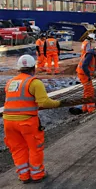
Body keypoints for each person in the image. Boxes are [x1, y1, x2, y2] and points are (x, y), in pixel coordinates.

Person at [3, 55, 63, 184]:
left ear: (19, 69)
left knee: (18, 148)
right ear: (33, 68)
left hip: (8, 122)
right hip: (26, 122)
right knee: (35, 148)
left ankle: (24, 176)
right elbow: (44, 102)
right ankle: (37, 175)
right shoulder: (34, 82)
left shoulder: (10, 82)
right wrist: (58, 103)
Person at [76, 43, 96, 113]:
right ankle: (91, 109)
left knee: (86, 91)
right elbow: (84, 65)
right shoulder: (90, 54)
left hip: (84, 74)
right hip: (84, 74)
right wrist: (88, 76)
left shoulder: (94, 54)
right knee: (90, 91)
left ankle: (84, 108)